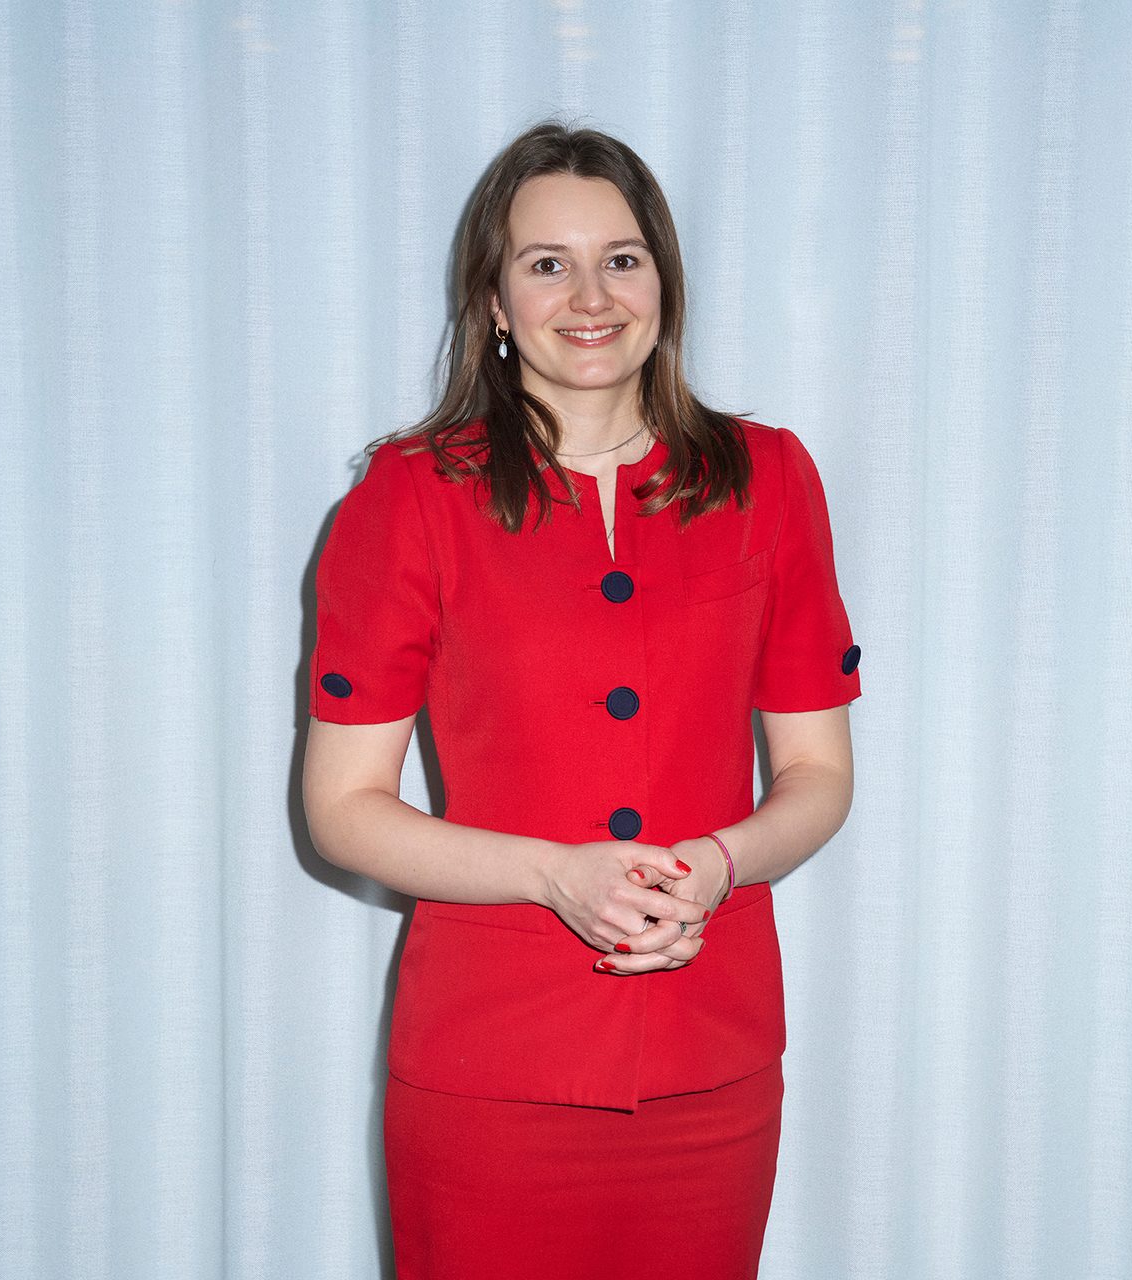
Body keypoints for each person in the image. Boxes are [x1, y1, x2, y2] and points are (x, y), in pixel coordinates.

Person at [300, 120, 863, 1278]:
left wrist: (718, 858)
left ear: (664, 277)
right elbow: (345, 807)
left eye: (622, 256)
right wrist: (552, 871)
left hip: (713, 1058)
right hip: (488, 1070)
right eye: (545, 262)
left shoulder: (769, 480)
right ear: (495, 302)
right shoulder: (409, 498)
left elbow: (819, 773)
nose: (589, 294)